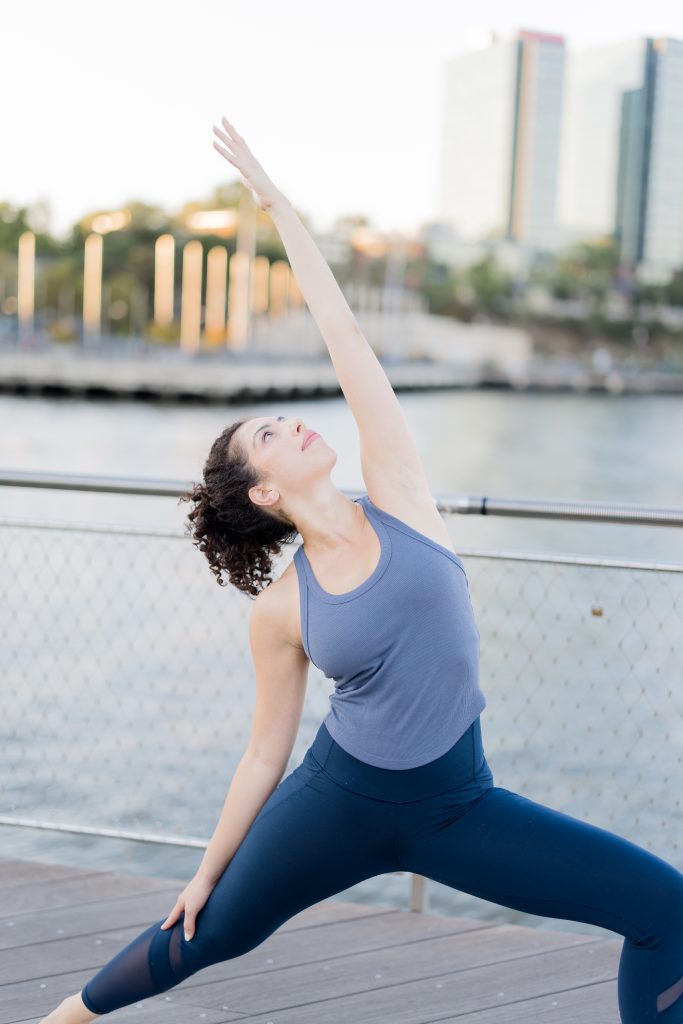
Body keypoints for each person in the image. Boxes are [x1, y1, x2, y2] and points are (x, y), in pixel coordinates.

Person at [41, 117, 683, 1024]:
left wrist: (274, 201)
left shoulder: (401, 495)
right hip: (336, 801)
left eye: (281, 418)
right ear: (264, 492)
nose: (292, 424)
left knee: (665, 908)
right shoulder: (280, 609)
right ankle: (61, 1018)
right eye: (269, 435)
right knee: (207, 931)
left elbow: (343, 339)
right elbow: (265, 750)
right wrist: (204, 868)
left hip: (459, 806)